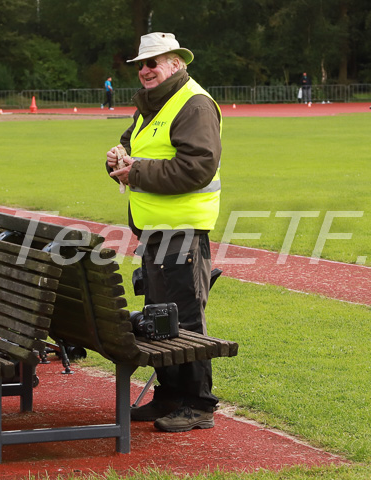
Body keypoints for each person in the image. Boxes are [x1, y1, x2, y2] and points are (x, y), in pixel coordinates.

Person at [105, 32, 222, 433]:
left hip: (184, 229)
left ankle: (199, 404)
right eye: (141, 64)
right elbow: (132, 146)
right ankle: (170, 396)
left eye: (154, 62)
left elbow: (197, 167)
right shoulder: (153, 105)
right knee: (161, 319)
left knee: (186, 321)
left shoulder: (193, 103)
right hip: (155, 229)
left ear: (176, 63)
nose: (145, 70)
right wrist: (117, 159)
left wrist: (134, 170)